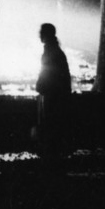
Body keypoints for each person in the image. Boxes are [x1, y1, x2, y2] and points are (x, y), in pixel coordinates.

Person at [35, 22, 71, 156]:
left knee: (50, 124)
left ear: (46, 35)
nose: (39, 34)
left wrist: (39, 85)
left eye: (41, 32)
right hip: (58, 94)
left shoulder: (50, 52)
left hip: (53, 95)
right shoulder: (56, 51)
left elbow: (46, 72)